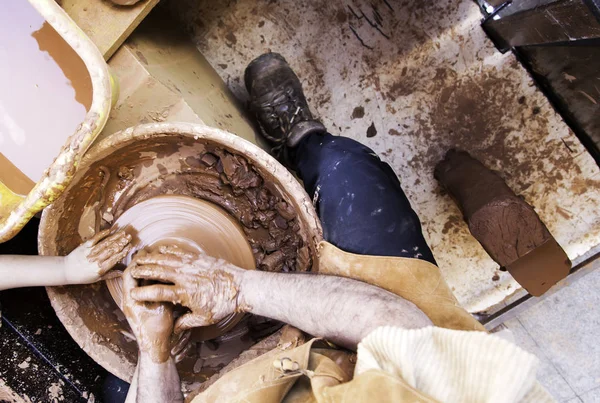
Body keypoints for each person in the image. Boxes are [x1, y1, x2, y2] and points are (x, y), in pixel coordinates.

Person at [122, 53, 554, 403]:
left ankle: (301, 146)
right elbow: (396, 327)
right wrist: (233, 288)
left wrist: (155, 354)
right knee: (343, 168)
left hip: (269, 370)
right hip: (399, 329)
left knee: (118, 380)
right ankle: (303, 139)